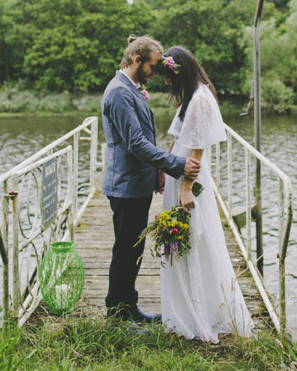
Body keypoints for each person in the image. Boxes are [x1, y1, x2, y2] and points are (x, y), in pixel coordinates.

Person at [101, 35, 201, 327]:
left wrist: (156, 172)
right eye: (154, 65)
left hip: (137, 182)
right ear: (136, 60)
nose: (157, 71)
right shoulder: (119, 93)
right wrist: (177, 166)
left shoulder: (131, 88)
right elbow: (136, 144)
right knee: (126, 249)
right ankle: (118, 314)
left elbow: (143, 139)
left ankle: (128, 307)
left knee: (133, 247)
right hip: (126, 185)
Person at [158, 46, 253, 343]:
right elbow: (177, 140)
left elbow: (197, 149)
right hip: (178, 173)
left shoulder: (200, 99)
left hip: (190, 178)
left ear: (180, 70)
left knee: (194, 242)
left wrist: (186, 188)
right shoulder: (191, 97)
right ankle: (187, 308)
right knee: (183, 243)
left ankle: (199, 313)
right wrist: (164, 169)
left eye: (167, 77)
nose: (165, 83)